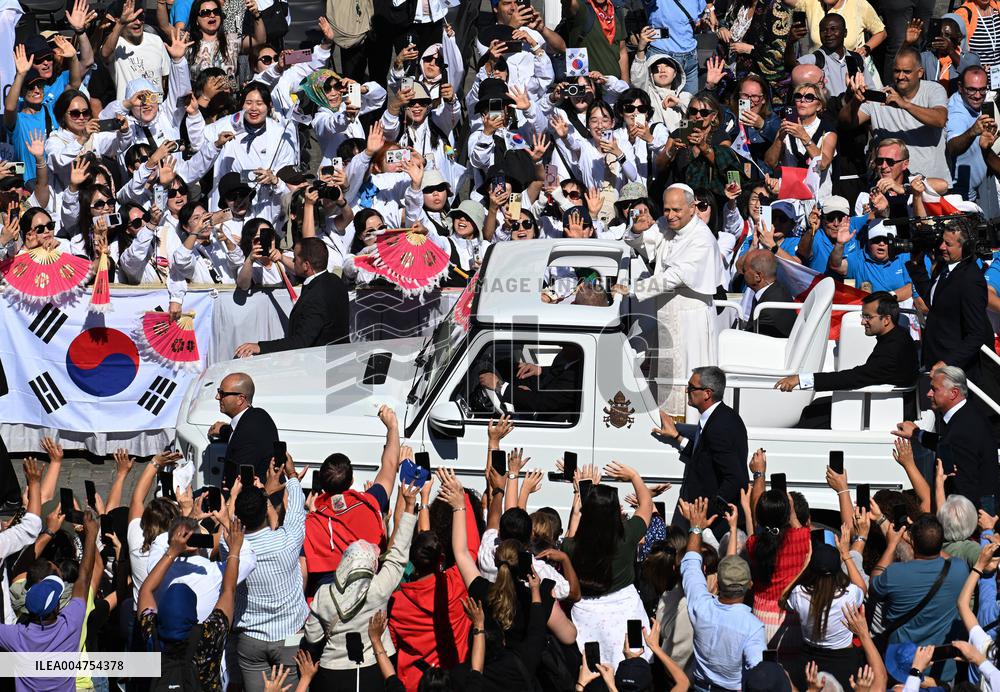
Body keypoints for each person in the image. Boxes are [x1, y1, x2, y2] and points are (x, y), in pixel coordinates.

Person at [614, 185, 724, 414]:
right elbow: (643, 243)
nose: (671, 215)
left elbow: (676, 276)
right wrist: (636, 231)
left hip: (691, 318)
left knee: (688, 374)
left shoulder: (701, 238)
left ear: (692, 208)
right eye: (666, 210)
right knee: (666, 376)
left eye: (676, 210)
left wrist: (633, 289)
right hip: (667, 311)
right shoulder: (667, 225)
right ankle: (666, 419)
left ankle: (689, 421)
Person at [304, 485, 418, 690]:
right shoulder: (379, 588)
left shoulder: (323, 595)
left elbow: (312, 636)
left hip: (333, 670)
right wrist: (410, 507)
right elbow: (398, 555)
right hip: (376, 664)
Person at [219, 451, 307, 692]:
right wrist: (292, 475)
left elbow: (228, 528)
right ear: (266, 510)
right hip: (290, 638)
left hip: (250, 641)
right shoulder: (288, 541)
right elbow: (297, 509)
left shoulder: (230, 548)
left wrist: (239, 497)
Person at [137, 518, 245, 692]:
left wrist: (171, 552)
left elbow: (145, 591)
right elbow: (229, 590)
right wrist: (234, 550)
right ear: (193, 616)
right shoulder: (208, 635)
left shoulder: (152, 634)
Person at [303, 405, 402, 594]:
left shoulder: (310, 523)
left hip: (325, 604)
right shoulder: (370, 502)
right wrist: (392, 428)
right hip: (367, 597)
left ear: (323, 486)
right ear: (352, 481)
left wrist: (311, 512)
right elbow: (389, 466)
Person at [0, 506, 96, 692]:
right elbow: (84, 578)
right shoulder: (71, 624)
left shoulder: (17, 636)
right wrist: (91, 534)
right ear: (56, 607)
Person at [652, 367, 750, 540]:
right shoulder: (722, 417)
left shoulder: (719, 426)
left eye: (691, 387)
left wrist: (706, 513)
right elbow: (704, 457)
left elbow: (735, 478)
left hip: (712, 525)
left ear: (707, 393)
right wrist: (677, 437)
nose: (687, 391)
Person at [678, 497, 765, 690]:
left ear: (717, 582)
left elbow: (691, 563)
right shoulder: (753, 627)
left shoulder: (701, 606)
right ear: (750, 585)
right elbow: (761, 673)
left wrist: (695, 528)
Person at [868, 513, 968, 667]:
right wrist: (924, 540)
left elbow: (874, 584)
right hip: (943, 664)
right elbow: (945, 556)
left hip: (902, 664)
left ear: (912, 542)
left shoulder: (895, 573)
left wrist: (892, 545)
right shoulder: (960, 569)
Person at [840, 47, 951, 182]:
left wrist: (904, 105)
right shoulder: (881, 96)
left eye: (907, 72)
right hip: (890, 186)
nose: (900, 76)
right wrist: (855, 101)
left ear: (920, 72)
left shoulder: (933, 90)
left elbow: (940, 119)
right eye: (897, 71)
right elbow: (846, 123)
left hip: (932, 184)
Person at [894, 365, 999, 506]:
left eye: (935, 389)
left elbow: (964, 487)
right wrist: (917, 434)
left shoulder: (962, 431)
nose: (929, 394)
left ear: (953, 393)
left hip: (966, 516)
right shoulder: (968, 413)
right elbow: (945, 443)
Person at [776, 292, 919, 392]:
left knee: (809, 416)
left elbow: (854, 377)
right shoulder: (899, 336)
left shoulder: (892, 350)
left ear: (886, 319)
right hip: (881, 402)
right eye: (863, 316)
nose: (863, 322)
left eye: (868, 317)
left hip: (883, 410)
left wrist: (801, 380)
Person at [234, 237, 350, 357]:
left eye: (295, 259)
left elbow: (301, 341)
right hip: (337, 358)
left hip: (320, 363)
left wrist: (260, 347)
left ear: (306, 265)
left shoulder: (316, 294)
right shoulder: (335, 281)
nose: (293, 261)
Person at [906, 223, 994, 379]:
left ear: (965, 248)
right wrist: (917, 265)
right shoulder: (944, 268)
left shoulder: (970, 280)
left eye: (948, 244)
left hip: (956, 373)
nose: (941, 247)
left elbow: (977, 333)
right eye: (942, 241)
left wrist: (948, 362)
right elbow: (935, 301)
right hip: (937, 364)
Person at [207, 372, 279, 487]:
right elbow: (239, 433)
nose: (217, 397)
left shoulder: (249, 432)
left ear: (240, 399)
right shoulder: (259, 416)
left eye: (222, 393)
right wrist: (224, 430)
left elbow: (236, 484)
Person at [946, 66, 996, 202]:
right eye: (972, 89)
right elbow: (952, 147)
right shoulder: (957, 112)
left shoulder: (981, 103)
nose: (978, 95)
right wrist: (972, 132)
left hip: (981, 187)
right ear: (960, 87)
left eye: (982, 89)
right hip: (960, 196)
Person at [796, 14, 876, 98]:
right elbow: (792, 67)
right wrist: (790, 44)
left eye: (833, 29)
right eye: (824, 30)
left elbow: (871, 91)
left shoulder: (856, 58)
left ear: (845, 33)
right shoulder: (816, 59)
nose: (828, 34)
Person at [742, 249, 796, 338]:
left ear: (758, 276)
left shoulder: (769, 309)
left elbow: (754, 341)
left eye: (744, 270)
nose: (742, 273)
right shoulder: (777, 290)